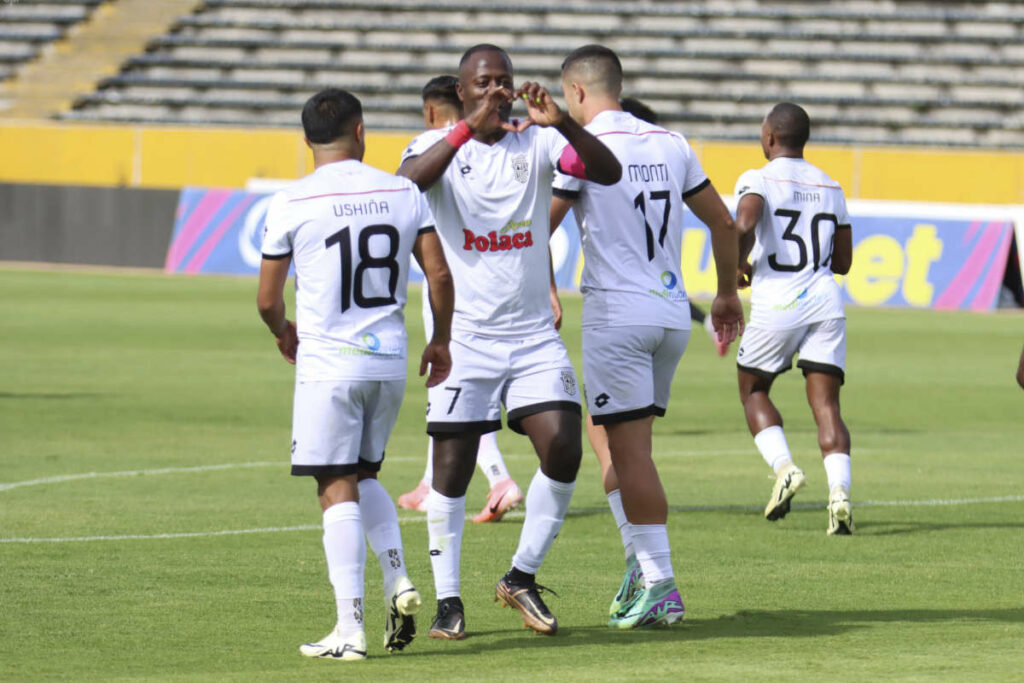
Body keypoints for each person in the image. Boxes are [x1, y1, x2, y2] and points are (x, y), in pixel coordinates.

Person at [397, 43, 621, 639]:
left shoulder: (539, 141)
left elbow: (608, 171)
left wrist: (564, 121)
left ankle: (520, 575)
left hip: (530, 339)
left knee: (565, 448)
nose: (496, 90)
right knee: (450, 471)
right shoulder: (434, 147)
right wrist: (466, 130)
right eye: (483, 83)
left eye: (505, 81)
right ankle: (449, 602)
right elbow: (404, 187)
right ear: (463, 91)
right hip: (466, 340)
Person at [257, 88, 455, 660]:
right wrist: (440, 339)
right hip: (388, 360)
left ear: (305, 141)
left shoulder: (292, 201)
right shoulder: (402, 190)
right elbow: (438, 275)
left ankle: (350, 629)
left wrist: (282, 330)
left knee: (334, 485)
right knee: (366, 475)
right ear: (361, 131)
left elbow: (268, 299)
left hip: (329, 364)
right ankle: (399, 578)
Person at [551, 45, 744, 629]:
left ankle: (659, 580)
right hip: (668, 315)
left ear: (578, 92)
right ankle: (641, 561)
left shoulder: (581, 149)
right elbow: (725, 221)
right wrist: (728, 295)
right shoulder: (672, 143)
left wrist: (546, 292)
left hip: (618, 316)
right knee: (612, 435)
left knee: (628, 452)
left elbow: (540, 226)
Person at [398, 74, 524, 524]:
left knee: (457, 397)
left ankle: (497, 478)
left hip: (451, 290)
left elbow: (405, 187)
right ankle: (431, 482)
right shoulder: (505, 145)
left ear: (432, 111)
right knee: (451, 398)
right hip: (502, 287)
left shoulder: (430, 145)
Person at [732, 102, 855, 535]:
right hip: (824, 300)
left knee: (753, 390)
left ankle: (784, 467)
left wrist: (736, 264)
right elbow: (843, 261)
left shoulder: (757, 179)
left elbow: (744, 222)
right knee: (826, 405)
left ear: (769, 138)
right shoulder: (831, 186)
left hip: (778, 301)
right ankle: (839, 495)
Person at [618, 96, 730, 357]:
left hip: (623, 305)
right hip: (669, 305)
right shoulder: (670, 162)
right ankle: (707, 323)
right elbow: (724, 221)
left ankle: (707, 323)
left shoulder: (616, 172)